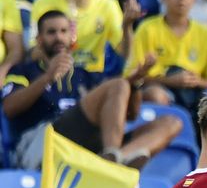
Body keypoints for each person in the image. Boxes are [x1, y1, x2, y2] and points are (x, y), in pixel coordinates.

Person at [2, 9, 176, 171]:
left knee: (171, 122)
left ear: (72, 37)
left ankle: (116, 158)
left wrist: (136, 82)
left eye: (64, 31)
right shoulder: (22, 70)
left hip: (87, 146)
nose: (58, 37)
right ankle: (112, 163)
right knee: (119, 84)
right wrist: (48, 77)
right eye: (51, 32)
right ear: (39, 39)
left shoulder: (86, 75)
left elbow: (131, 115)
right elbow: (9, 108)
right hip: (42, 144)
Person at [129, 0, 207, 108]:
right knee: (155, 95)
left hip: (197, 92)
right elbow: (135, 77)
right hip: (161, 88)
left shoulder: (205, 32)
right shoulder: (147, 29)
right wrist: (169, 80)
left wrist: (197, 82)